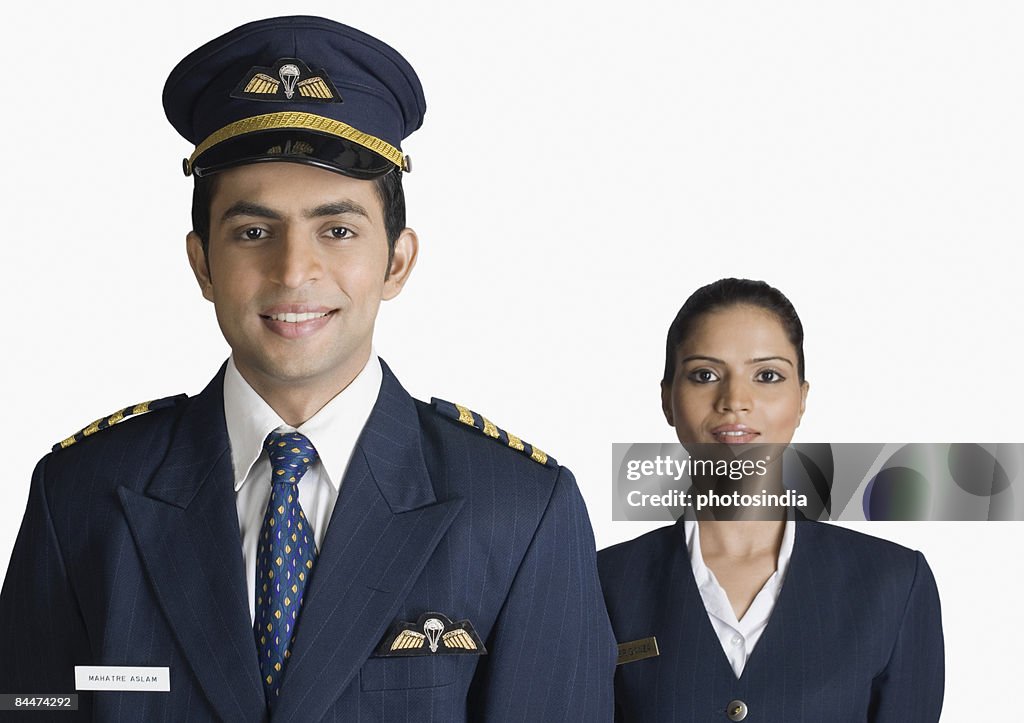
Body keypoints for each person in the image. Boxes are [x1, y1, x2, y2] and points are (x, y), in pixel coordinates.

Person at [0, 16, 615, 722]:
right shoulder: (79, 497)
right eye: (253, 231)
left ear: (398, 260)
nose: (293, 271)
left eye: (338, 229)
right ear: (202, 262)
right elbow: (28, 706)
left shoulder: (520, 511)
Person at [598, 278, 943, 722]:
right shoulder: (600, 584)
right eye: (704, 375)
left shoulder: (893, 584)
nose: (735, 401)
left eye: (767, 375)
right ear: (667, 399)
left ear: (801, 399)